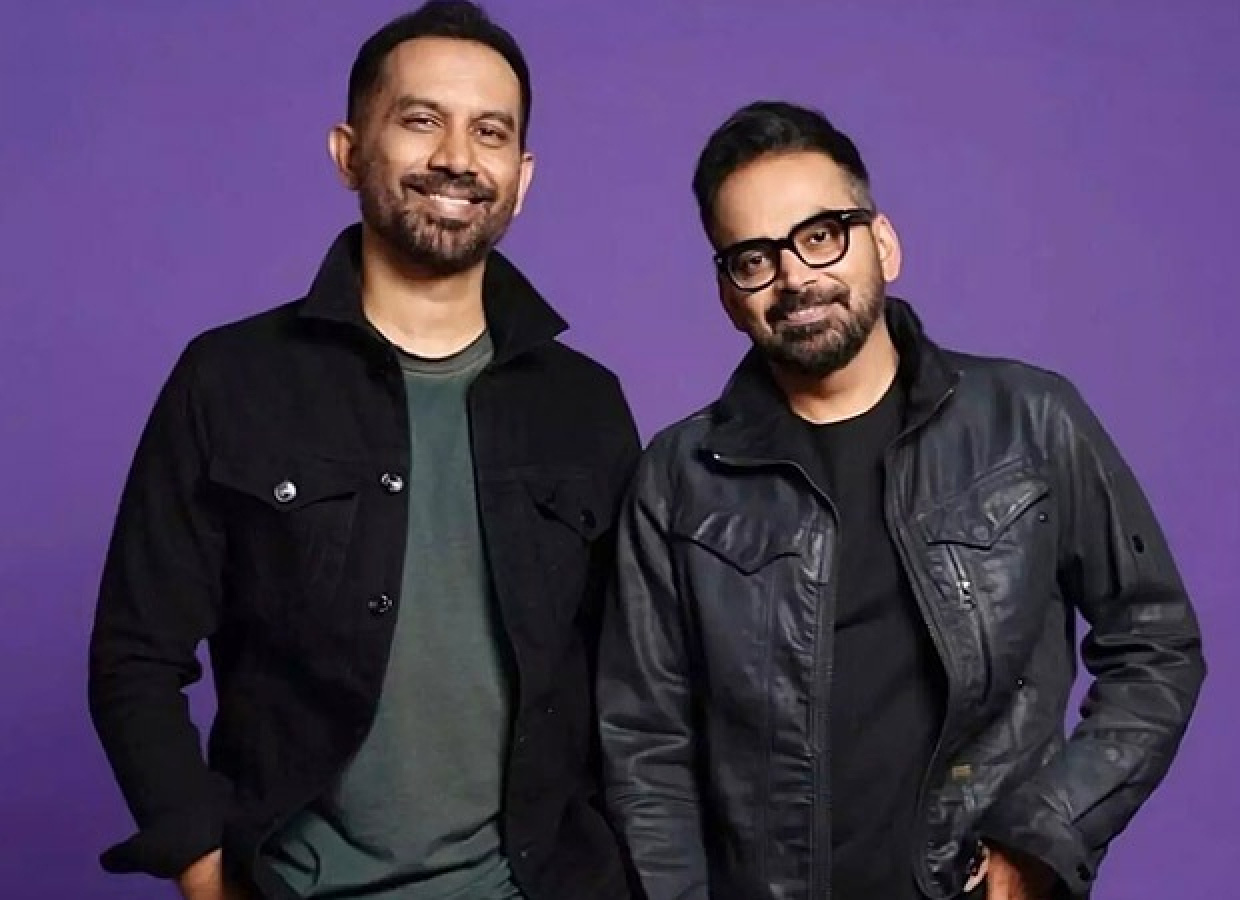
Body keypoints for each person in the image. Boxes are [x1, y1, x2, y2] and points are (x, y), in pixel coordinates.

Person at [88, 4, 640, 898]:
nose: (458, 157)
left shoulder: (586, 405)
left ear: (522, 176)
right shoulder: (229, 380)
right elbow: (134, 657)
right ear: (349, 152)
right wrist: (200, 863)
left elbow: (638, 682)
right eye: (421, 120)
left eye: (490, 132)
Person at [597, 100, 1205, 900]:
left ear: (883, 243)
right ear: (728, 293)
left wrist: (1046, 832)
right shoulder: (680, 477)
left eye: (821, 235)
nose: (795, 277)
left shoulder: (1029, 421)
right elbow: (645, 741)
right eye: (754, 258)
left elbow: (1156, 642)